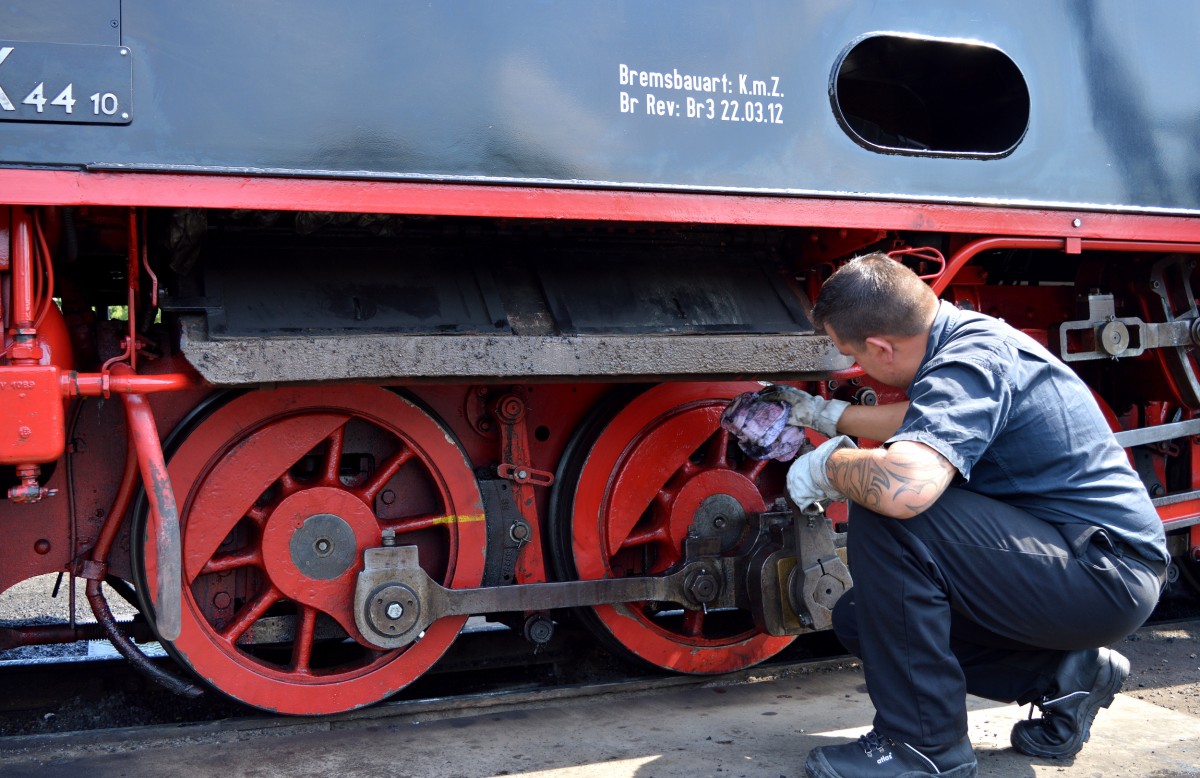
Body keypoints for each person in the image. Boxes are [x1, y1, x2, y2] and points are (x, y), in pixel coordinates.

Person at [724, 253, 1169, 778]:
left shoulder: (973, 359)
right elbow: (919, 419)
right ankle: (1065, 676)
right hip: (1071, 560)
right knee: (860, 618)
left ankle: (923, 746)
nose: (858, 367)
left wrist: (825, 466)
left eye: (854, 355)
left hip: (1104, 573)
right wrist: (822, 415)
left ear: (883, 347)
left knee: (893, 510)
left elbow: (904, 489)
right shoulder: (962, 341)